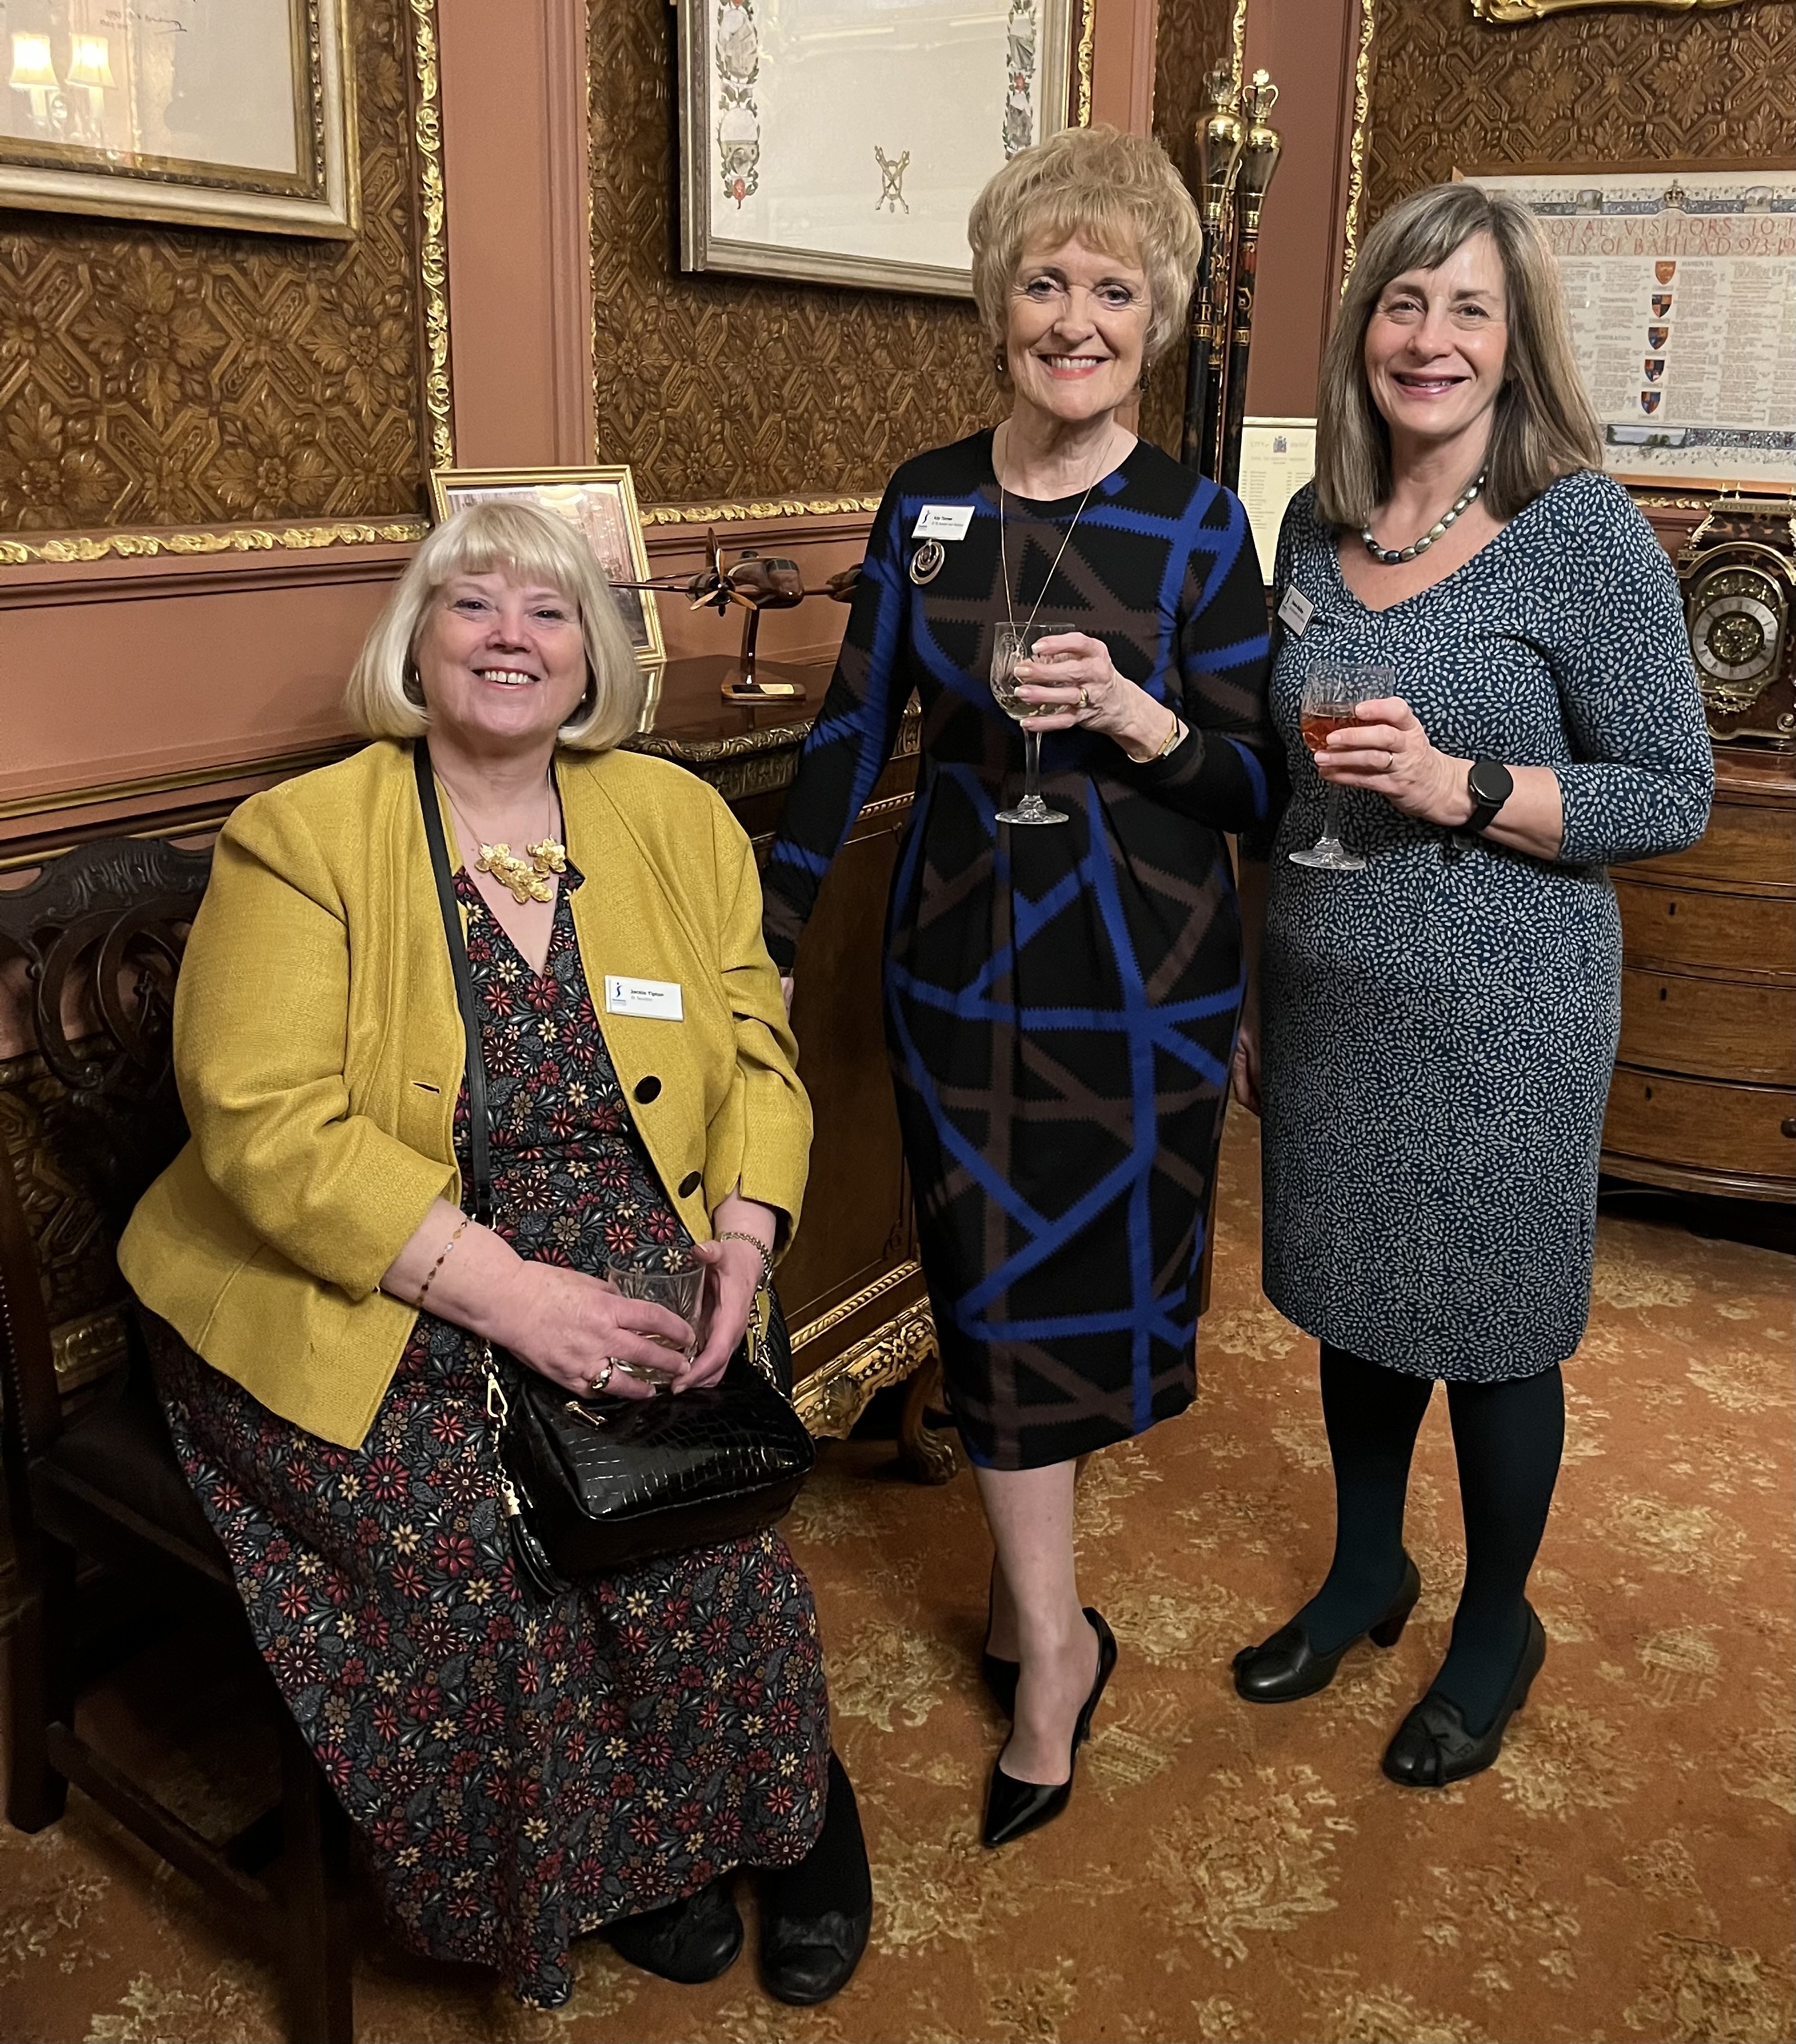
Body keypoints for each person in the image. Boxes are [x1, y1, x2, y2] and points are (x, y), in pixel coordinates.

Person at [119, 501, 872, 2008]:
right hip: (365, 1277)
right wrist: (513, 1297)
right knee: (484, 1545)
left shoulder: (672, 819)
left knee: (693, 1503)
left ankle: (790, 1811)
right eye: (473, 604)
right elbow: (263, 1122)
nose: (511, 636)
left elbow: (758, 1054)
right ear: (418, 644)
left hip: (639, 1236)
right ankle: (610, 1862)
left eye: (550, 611)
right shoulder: (305, 837)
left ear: (593, 660)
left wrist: (744, 1239)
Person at [760, 125, 1278, 1847]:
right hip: (962, 964)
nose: (1076, 319)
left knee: (1077, 1302)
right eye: (1045, 282)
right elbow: (851, 731)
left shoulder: (1196, 525)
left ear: (1157, 318)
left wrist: (1140, 718)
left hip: (1140, 978)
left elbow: (1253, 783)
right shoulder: (926, 499)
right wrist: (764, 936)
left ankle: (1029, 1609)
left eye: (1113, 290)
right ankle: (1055, 1643)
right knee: (986, 1290)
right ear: (996, 304)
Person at [1229, 183, 1713, 1786]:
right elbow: (1282, 788)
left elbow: (1672, 790)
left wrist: (1465, 786)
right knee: (1355, 1303)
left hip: (1509, 1007)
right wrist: (1251, 986)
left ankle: (1497, 1623)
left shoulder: (1581, 531)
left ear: (1517, 345)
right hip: (1327, 993)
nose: (1429, 339)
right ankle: (1370, 1569)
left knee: (1498, 1330)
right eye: (1403, 302)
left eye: (1468, 310)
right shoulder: (1315, 527)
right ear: (1363, 327)